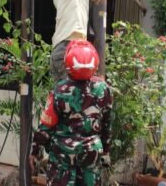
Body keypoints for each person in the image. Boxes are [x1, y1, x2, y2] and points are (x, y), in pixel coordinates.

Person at [30, 40, 112, 186]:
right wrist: (106, 150)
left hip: (62, 155)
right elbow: (107, 124)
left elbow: (46, 126)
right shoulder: (104, 90)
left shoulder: (59, 90)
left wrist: (35, 152)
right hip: (90, 153)